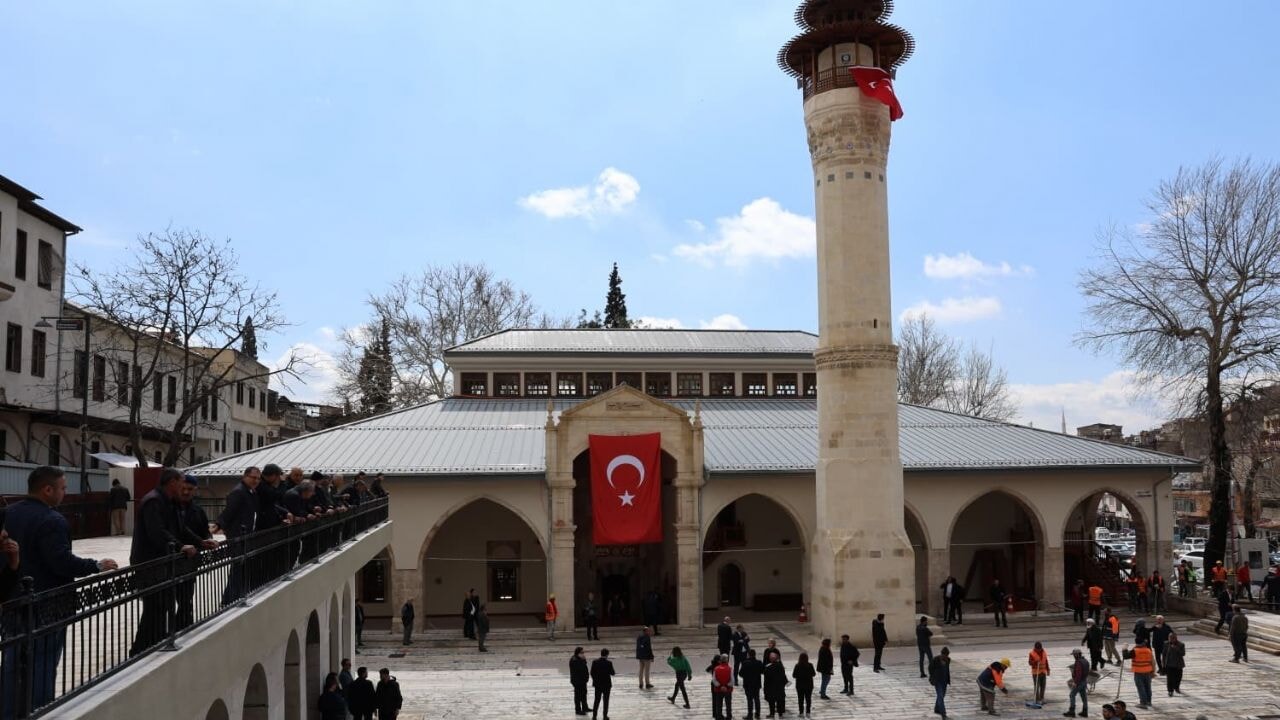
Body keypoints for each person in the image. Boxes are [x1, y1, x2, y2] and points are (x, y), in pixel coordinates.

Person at [2, 466, 118, 714]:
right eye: (63, 488)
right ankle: (40, 710)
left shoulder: (7, 515)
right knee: (42, 663)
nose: (65, 493)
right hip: (47, 604)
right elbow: (61, 562)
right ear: (47, 489)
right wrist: (95, 565)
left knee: (12, 664)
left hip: (12, 601)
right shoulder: (52, 520)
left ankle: (10, 711)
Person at [131, 469, 200, 656]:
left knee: (164, 606)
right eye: (181, 482)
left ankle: (156, 641)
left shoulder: (171, 502)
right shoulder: (153, 501)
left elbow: (181, 528)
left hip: (164, 564)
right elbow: (157, 532)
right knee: (155, 607)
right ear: (172, 482)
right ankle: (141, 649)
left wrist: (200, 542)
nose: (183, 487)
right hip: (151, 563)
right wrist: (180, 547)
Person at [175, 474, 220, 631]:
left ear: (195, 490)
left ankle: (184, 626)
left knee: (186, 598)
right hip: (173, 558)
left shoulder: (197, 510)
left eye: (190, 489)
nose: (186, 492)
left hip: (190, 562)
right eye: (183, 488)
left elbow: (204, 531)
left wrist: (209, 539)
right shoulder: (171, 507)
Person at [214, 466, 261, 604]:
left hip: (245, 535)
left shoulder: (251, 492)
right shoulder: (239, 492)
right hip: (237, 536)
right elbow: (229, 512)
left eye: (258, 478)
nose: (256, 481)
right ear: (245, 476)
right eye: (253, 478)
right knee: (238, 568)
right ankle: (230, 598)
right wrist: (219, 525)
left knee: (241, 568)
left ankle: (235, 595)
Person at [1122, 639, 1154, 709]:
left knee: (1141, 687)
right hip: (1147, 671)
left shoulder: (1135, 651)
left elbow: (1125, 656)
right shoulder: (1148, 650)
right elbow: (1152, 661)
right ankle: (1149, 701)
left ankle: (1143, 703)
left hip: (1139, 671)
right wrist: (1153, 671)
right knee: (1148, 687)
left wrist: (1124, 649)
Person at [1064, 648, 1089, 718]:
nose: (1073, 656)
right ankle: (1085, 711)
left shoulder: (1078, 662)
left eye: (1074, 655)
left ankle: (1072, 711)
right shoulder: (1085, 661)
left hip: (1079, 682)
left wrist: (1075, 682)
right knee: (1084, 696)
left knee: (1072, 695)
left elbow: (1078, 674)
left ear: (1077, 655)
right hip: (1084, 681)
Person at [763, 650, 788, 719]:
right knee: (780, 700)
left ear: (770, 659)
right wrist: (785, 682)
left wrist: (765, 689)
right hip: (779, 687)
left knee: (771, 701)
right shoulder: (780, 666)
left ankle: (772, 714)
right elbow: (783, 676)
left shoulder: (768, 667)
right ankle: (780, 714)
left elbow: (766, 679)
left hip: (771, 688)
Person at [740, 648, 764, 720]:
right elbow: (762, 671)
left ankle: (750, 715)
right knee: (757, 699)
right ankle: (757, 714)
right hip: (756, 684)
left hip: (748, 684)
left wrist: (746, 676)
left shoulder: (745, 663)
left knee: (749, 699)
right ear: (755, 655)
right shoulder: (759, 662)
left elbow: (740, 673)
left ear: (748, 655)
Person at [591, 649, 615, 720]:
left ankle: (594, 716)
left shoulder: (595, 662)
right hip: (607, 685)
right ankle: (605, 716)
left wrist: (595, 680)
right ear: (607, 654)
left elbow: (592, 673)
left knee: (597, 700)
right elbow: (612, 673)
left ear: (601, 654)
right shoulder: (609, 663)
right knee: (606, 700)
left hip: (597, 684)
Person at [929, 646, 951, 719]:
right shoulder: (935, 660)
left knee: (941, 696)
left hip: (944, 681)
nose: (945, 657)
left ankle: (937, 709)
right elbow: (930, 668)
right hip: (938, 681)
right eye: (944, 655)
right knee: (940, 696)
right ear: (942, 654)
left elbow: (947, 670)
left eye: (946, 655)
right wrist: (933, 677)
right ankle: (943, 714)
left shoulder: (948, 660)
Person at [792, 651, 815, 717]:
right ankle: (808, 712)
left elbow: (794, 675)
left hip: (800, 685)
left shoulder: (797, 665)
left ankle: (801, 712)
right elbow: (814, 674)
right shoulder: (810, 665)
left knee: (800, 699)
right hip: (809, 685)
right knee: (808, 699)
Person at [1162, 632, 1185, 696]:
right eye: (1170, 638)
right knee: (1169, 679)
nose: (1171, 639)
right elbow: (1164, 654)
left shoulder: (1181, 644)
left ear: (1176, 638)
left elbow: (1183, 653)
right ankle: (1170, 690)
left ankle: (1177, 687)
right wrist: (1163, 664)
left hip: (1178, 665)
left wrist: (1176, 648)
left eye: (1172, 638)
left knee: (1178, 678)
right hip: (1169, 664)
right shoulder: (1166, 644)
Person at [712, 654, 735, 720]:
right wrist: (726, 686)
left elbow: (714, 679)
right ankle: (729, 716)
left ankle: (719, 716)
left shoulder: (716, 668)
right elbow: (732, 680)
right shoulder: (730, 669)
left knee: (719, 704)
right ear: (727, 660)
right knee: (728, 704)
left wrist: (720, 686)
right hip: (728, 690)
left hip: (718, 690)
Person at [1028, 641, 1049, 706]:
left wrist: (1048, 670)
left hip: (1043, 672)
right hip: (1036, 672)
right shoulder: (1032, 653)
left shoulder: (1044, 652)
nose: (1039, 650)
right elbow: (1030, 663)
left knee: (1043, 686)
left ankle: (1042, 698)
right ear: (1035, 648)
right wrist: (1035, 662)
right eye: (1037, 649)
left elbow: (1046, 661)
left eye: (1039, 649)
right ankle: (1037, 699)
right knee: (1037, 686)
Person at [571, 646, 591, 715]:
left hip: (582, 680)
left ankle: (585, 707)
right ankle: (578, 710)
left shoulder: (579, 659)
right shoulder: (574, 660)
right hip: (577, 681)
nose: (583, 654)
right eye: (582, 652)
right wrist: (583, 660)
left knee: (584, 694)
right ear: (578, 653)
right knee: (578, 696)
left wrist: (583, 660)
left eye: (583, 652)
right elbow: (580, 669)